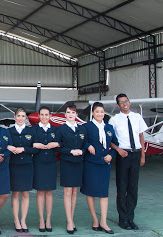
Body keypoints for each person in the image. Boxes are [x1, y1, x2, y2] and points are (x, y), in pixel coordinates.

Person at [109, 93, 148, 230]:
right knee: (122, 187)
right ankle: (123, 219)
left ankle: (130, 218)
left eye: (126, 101)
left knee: (133, 188)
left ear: (129, 102)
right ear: (118, 105)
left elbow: (141, 137)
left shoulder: (137, 117)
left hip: (136, 154)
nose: (125, 104)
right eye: (121, 102)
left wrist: (143, 156)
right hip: (123, 155)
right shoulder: (114, 120)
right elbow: (110, 140)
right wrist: (118, 150)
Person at [81, 102, 118, 234]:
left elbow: (115, 144)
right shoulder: (86, 127)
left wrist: (111, 155)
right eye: (97, 112)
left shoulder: (109, 127)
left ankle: (103, 221)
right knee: (90, 192)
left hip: (104, 164)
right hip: (90, 163)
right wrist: (87, 146)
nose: (100, 114)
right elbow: (82, 141)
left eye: (102, 112)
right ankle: (95, 219)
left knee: (103, 193)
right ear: (93, 113)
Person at [56, 104, 86, 234]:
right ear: (65, 114)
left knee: (75, 192)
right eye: (68, 112)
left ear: (76, 115)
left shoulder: (82, 129)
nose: (70, 115)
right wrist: (70, 151)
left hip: (78, 163)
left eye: (73, 112)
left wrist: (82, 151)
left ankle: (71, 219)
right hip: (67, 163)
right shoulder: (61, 130)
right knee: (67, 192)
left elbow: (85, 145)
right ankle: (69, 221)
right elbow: (58, 147)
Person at [7, 108, 38, 233]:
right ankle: (16, 220)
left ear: (26, 118)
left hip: (27, 165)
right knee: (15, 194)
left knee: (26, 194)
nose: (20, 118)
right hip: (15, 165)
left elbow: (35, 149)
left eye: (23, 116)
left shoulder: (31, 130)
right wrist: (8, 146)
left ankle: (23, 220)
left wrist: (24, 149)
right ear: (14, 116)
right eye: (18, 115)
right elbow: (3, 144)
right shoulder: (9, 131)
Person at [32, 106, 59, 233]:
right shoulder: (34, 129)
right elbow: (28, 143)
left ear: (50, 116)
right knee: (40, 192)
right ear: (39, 116)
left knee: (49, 192)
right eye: (42, 115)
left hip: (51, 163)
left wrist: (57, 144)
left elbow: (62, 142)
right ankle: (41, 219)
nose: (44, 117)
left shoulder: (55, 129)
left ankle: (48, 219)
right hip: (39, 163)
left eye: (46, 114)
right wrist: (34, 145)